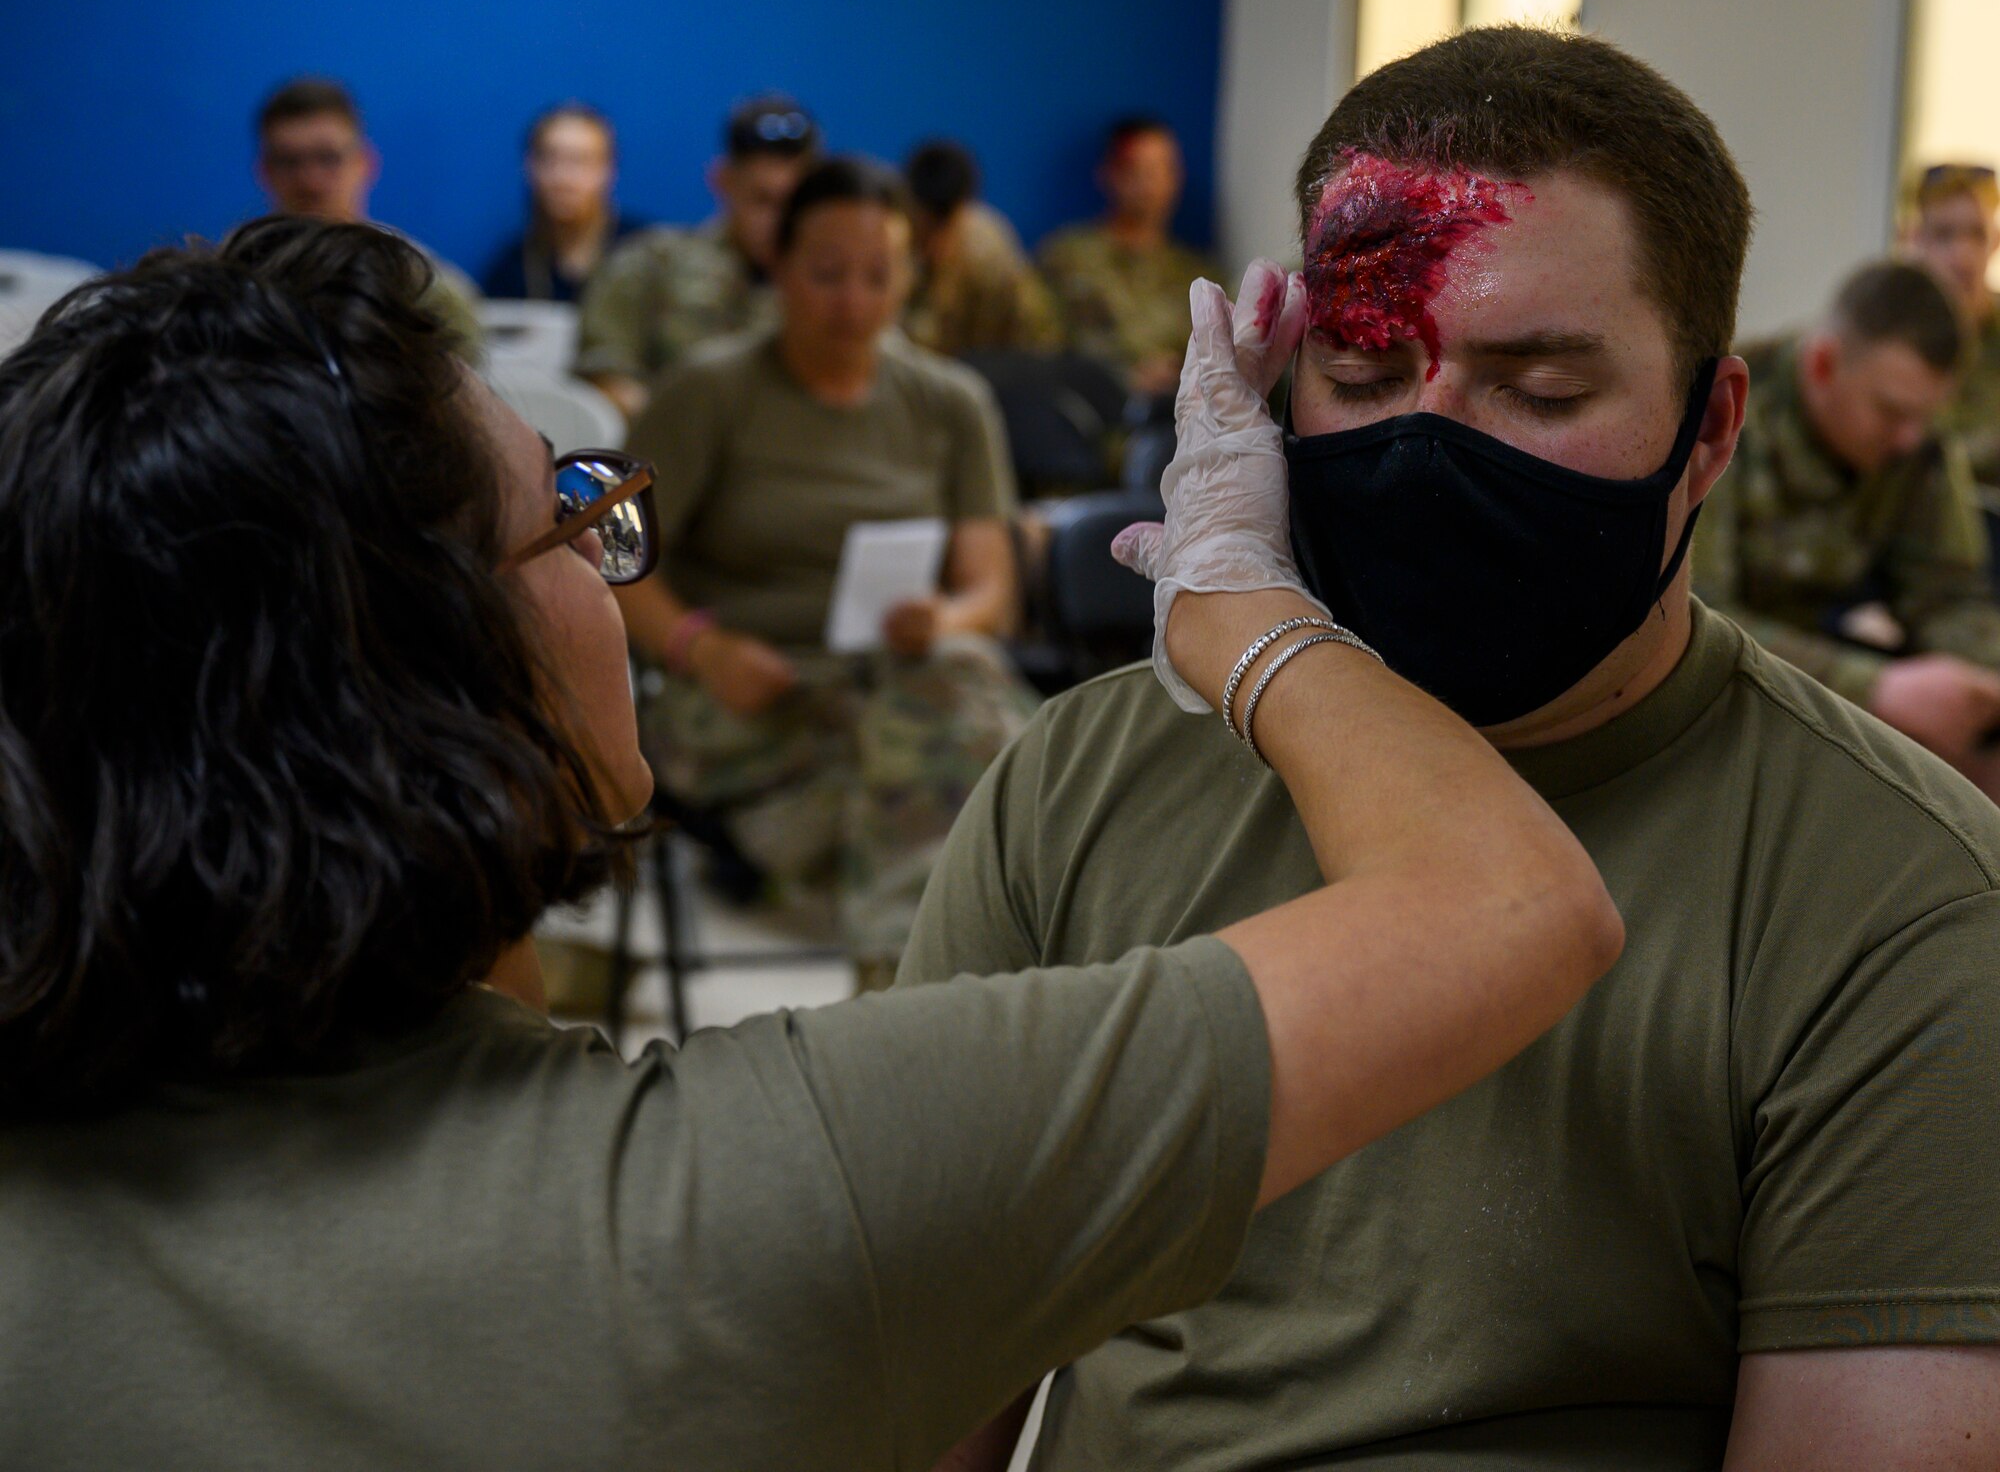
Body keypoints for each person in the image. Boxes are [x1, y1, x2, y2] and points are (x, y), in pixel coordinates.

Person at [0, 217, 1625, 1469]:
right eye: (572, 514)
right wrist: (1240, 592)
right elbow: (1507, 900)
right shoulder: (764, 1194)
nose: (608, 560)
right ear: (429, 662)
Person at [913, 25, 2000, 1472]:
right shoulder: (1083, 784)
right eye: (1361, 381)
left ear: (1712, 428)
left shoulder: (1908, 906)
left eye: (1540, 393)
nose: (1425, 453)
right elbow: (909, 1385)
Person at [615, 156, 1036, 988]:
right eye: (828, 275)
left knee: (949, 698)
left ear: (911, 276)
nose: (854, 302)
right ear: (777, 265)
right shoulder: (709, 393)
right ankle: (926, 1007)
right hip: (742, 699)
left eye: (879, 276)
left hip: (891, 684)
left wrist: (941, 619)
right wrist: (704, 649)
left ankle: (898, 990)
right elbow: (614, 565)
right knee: (987, 760)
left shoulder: (950, 402)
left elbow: (993, 594)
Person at [1696, 261, 2000, 789]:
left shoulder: (1914, 443)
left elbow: (1947, 597)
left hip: (1819, 684)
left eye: (1924, 417)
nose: (1910, 438)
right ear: (1822, 365)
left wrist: (1984, 679)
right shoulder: (1718, 415)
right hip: (1710, 706)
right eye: (1892, 412)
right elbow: (1693, 622)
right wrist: (1876, 689)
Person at [574, 94, 819, 417]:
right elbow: (604, 371)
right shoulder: (652, 262)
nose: (777, 220)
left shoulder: (830, 288)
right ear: (723, 181)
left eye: (792, 202)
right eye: (762, 199)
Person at [254, 76, 483, 357]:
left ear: (364, 163)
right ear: (264, 172)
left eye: (327, 158)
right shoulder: (235, 290)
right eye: (289, 161)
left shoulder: (423, 292)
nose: (310, 181)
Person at [1037, 115, 1221, 396]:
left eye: (1163, 170)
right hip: (1095, 414)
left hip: (1183, 420)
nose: (1152, 186)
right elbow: (1045, 346)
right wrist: (1123, 376)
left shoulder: (1198, 274)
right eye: (1139, 171)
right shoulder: (1066, 258)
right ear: (1110, 174)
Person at [902, 139, 1059, 356]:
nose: (935, 240)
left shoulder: (991, 253)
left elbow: (1033, 338)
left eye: (945, 224)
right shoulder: (890, 237)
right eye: (925, 223)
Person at [480, 102, 647, 303]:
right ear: (529, 167)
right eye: (550, 159)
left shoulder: (646, 258)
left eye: (580, 160)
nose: (563, 178)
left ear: (609, 170)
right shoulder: (509, 271)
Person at [1906, 161, 2000, 484]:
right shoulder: (1891, 333)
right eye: (1944, 235)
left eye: (1977, 235)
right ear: (1914, 239)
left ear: (1996, 241)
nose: (1962, 255)